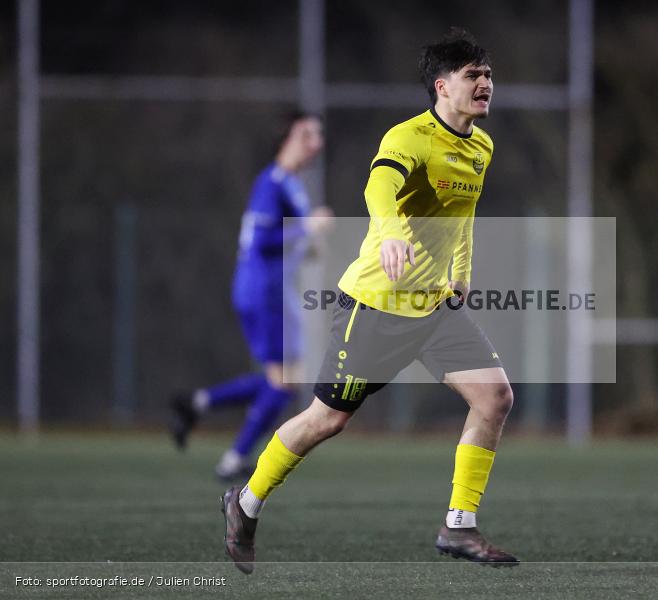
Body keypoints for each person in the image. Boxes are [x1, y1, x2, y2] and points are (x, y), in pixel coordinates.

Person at [220, 29, 519, 573]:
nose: (485, 84)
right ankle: (245, 502)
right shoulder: (409, 137)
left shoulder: (481, 146)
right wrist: (393, 233)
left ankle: (459, 525)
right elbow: (378, 188)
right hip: (376, 306)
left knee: (495, 397)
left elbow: (464, 215)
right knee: (326, 420)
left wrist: (461, 272)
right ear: (441, 86)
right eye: (472, 75)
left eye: (488, 75)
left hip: (435, 308)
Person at [170, 111, 332, 481]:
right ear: (285, 139)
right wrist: (307, 228)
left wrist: (308, 244)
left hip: (273, 290)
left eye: (318, 135)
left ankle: (196, 404)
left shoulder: (292, 184)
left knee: (285, 381)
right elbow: (262, 241)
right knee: (285, 382)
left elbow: (287, 241)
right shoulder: (272, 182)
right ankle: (232, 459)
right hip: (263, 290)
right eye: (306, 134)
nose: (316, 143)